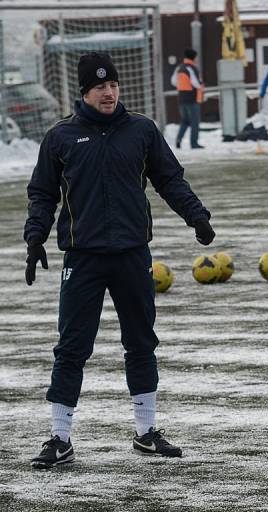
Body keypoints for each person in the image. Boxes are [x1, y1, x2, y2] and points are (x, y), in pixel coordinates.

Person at [24, 52, 216, 469]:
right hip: (83, 258)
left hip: (132, 254)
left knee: (141, 341)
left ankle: (146, 432)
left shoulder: (142, 131)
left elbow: (169, 179)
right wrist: (34, 238)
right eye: (99, 87)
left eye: (112, 85)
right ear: (84, 92)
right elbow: (42, 193)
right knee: (72, 347)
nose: (108, 93)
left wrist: (196, 216)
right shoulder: (61, 138)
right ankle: (59, 438)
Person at [171, 48, 205, 149]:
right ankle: (193, 143)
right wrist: (201, 85)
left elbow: (173, 82)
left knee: (185, 121)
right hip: (192, 98)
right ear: (194, 57)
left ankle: (178, 140)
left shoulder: (179, 68)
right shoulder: (192, 68)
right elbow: (196, 83)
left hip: (181, 97)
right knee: (194, 121)